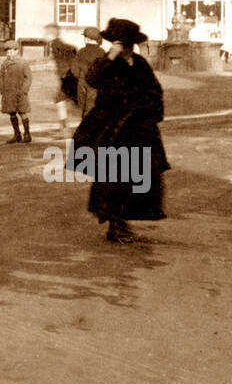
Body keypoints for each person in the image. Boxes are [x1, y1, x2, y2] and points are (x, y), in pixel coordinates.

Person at [71, 18, 169, 245]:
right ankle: (115, 226)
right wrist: (109, 56)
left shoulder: (140, 63)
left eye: (124, 43)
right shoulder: (108, 63)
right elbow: (92, 79)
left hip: (138, 128)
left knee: (141, 176)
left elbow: (155, 91)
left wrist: (151, 113)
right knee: (115, 178)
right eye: (117, 43)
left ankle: (122, 223)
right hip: (113, 129)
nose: (122, 46)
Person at [44, 22, 79, 133]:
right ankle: (64, 128)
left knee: (61, 100)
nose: (44, 35)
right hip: (69, 78)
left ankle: (64, 128)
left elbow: (71, 50)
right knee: (68, 101)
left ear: (51, 34)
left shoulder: (56, 44)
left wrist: (67, 68)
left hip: (69, 79)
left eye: (46, 33)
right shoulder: (55, 45)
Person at [0, 39, 32, 143]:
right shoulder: (4, 64)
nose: (9, 53)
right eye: (7, 51)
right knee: (12, 113)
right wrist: (2, 90)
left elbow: (28, 78)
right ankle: (17, 134)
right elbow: (1, 77)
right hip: (9, 93)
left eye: (12, 51)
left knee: (23, 112)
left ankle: (27, 134)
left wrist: (24, 90)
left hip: (20, 93)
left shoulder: (23, 63)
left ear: (17, 51)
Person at [74, 26, 105, 117]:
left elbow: (75, 68)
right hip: (95, 82)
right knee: (91, 106)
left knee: (82, 105)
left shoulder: (81, 52)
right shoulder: (101, 52)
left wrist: (79, 77)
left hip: (82, 80)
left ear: (87, 39)